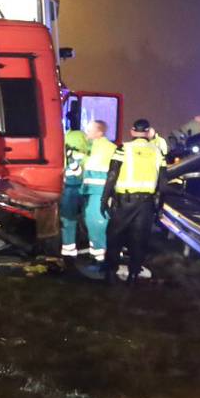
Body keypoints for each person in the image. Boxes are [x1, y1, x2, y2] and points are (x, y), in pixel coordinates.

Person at [102, 118, 165, 285]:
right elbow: (163, 182)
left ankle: (110, 273)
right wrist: (159, 206)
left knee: (114, 237)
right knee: (139, 241)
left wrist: (104, 199)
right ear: (148, 132)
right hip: (146, 204)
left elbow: (112, 175)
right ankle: (133, 276)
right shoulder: (157, 152)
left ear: (132, 131)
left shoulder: (123, 149)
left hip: (124, 202)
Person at [81, 120, 116, 261]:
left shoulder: (105, 147)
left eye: (90, 129)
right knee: (92, 221)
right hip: (93, 191)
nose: (87, 132)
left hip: (99, 191)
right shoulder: (95, 146)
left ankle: (100, 255)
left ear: (99, 132)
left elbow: (90, 165)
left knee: (96, 221)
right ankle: (97, 251)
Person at [60, 130, 90, 257]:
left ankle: (68, 251)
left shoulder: (64, 155)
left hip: (68, 190)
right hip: (87, 190)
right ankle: (95, 248)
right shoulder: (87, 155)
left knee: (68, 220)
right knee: (89, 220)